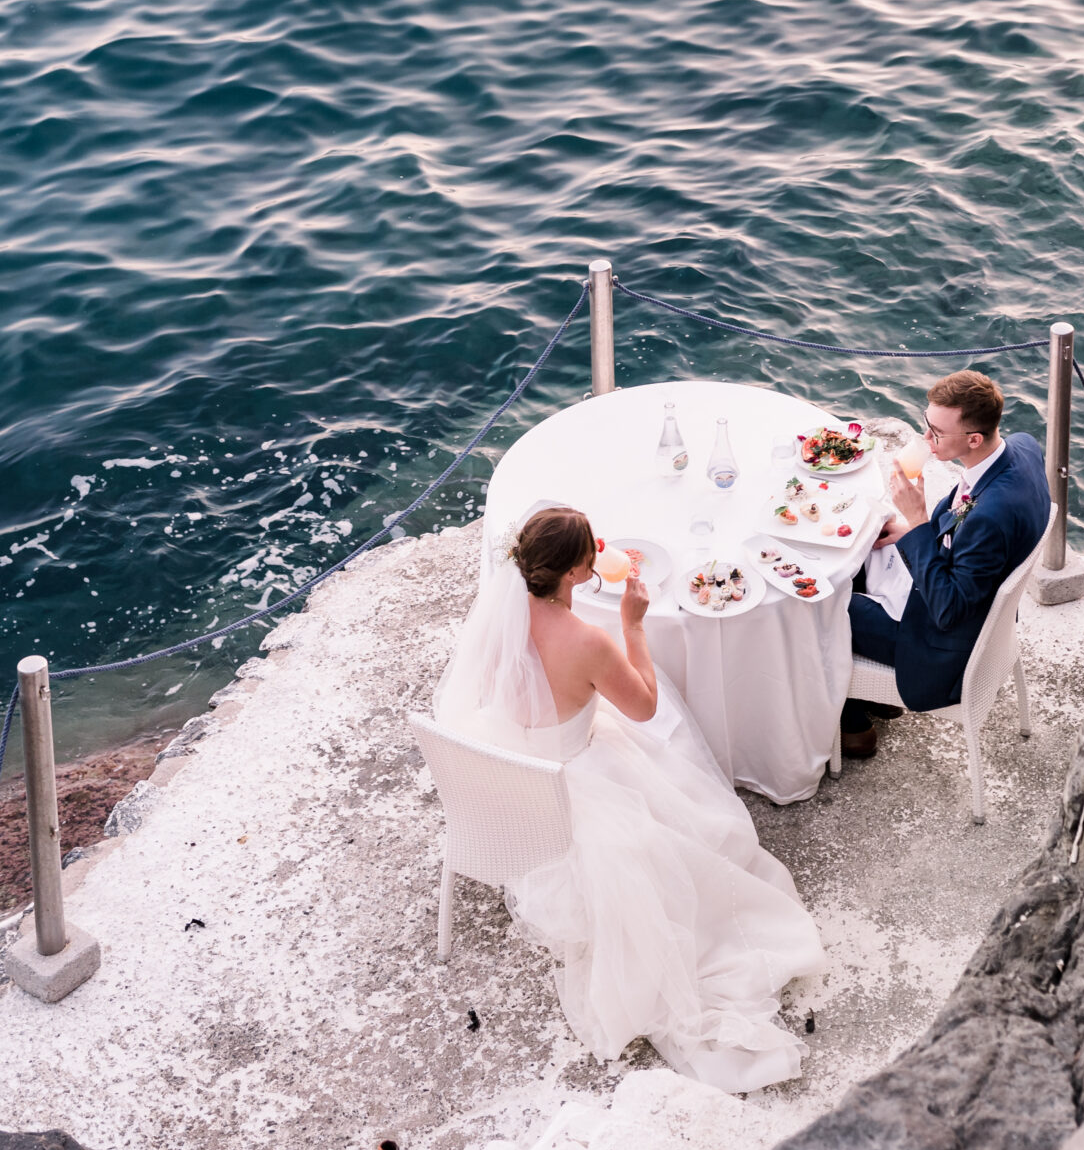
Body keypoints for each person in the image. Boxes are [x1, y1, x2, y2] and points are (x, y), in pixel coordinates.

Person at [432, 504, 823, 1092]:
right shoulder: (587, 641)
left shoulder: (500, 618)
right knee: (696, 824)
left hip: (510, 769)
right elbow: (644, 706)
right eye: (590, 555)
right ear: (571, 575)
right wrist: (633, 625)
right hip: (573, 782)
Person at [841, 369, 1050, 758]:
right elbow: (968, 534)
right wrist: (910, 531)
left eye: (936, 433)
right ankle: (865, 696)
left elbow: (948, 610)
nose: (925, 439)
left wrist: (919, 523)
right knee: (861, 549)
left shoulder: (990, 517)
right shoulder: (1021, 446)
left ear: (973, 438)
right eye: (927, 425)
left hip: (944, 644)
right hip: (973, 598)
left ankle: (848, 715)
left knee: (825, 601)